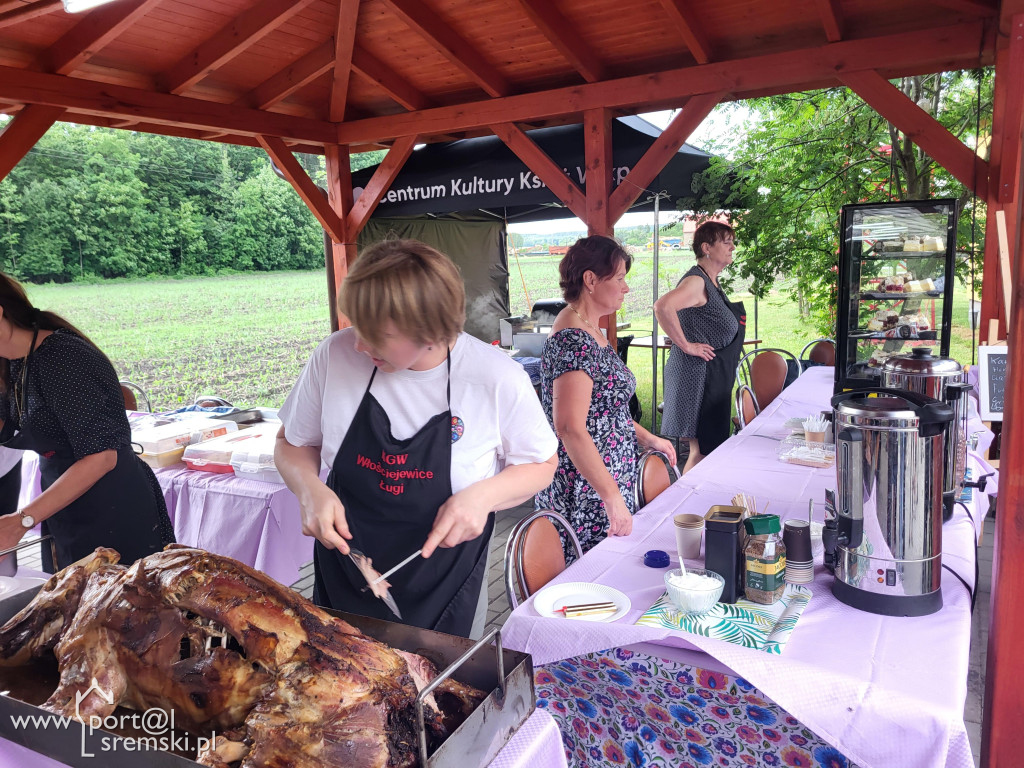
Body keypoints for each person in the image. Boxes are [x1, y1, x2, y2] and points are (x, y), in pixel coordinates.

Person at [275, 239, 557, 638]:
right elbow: (293, 442)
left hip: (445, 582)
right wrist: (309, 489)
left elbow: (542, 463)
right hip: (346, 570)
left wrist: (482, 497)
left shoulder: (494, 377)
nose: (359, 344)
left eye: (377, 334)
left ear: (432, 331)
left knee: (443, 691)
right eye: (356, 324)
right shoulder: (335, 355)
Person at [0, 272, 175, 571]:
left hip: (112, 506)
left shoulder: (63, 358)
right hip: (63, 502)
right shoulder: (12, 362)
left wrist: (22, 520)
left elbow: (101, 457)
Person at [535, 235, 677, 560]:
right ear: (590, 280)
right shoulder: (574, 340)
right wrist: (611, 497)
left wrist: (647, 438)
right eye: (620, 278)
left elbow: (605, 411)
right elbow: (570, 427)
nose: (626, 287)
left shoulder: (592, 330)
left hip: (606, 482)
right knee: (592, 583)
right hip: (587, 491)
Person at [655, 221, 746, 473]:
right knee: (702, 452)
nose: (732, 247)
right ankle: (686, 507)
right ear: (707, 247)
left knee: (706, 450)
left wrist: (683, 336)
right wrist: (686, 345)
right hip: (698, 379)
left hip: (712, 377)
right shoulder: (697, 281)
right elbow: (663, 307)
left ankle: (693, 506)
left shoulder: (711, 281)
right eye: (726, 242)